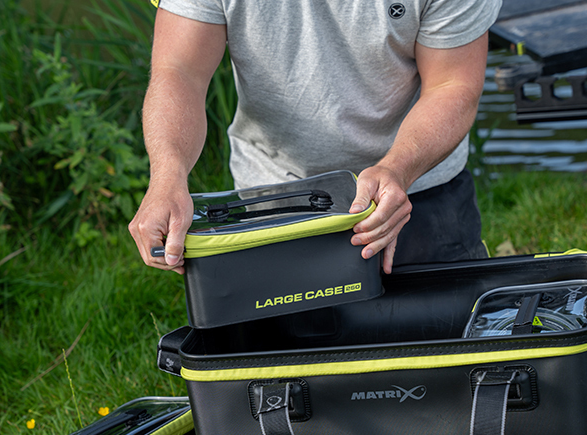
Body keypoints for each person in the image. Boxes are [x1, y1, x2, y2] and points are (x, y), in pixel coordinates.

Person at [129, 0, 502, 275]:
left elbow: (452, 85)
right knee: (280, 357)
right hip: (272, 198)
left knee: (443, 350)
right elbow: (179, 72)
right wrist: (168, 176)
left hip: (417, 196)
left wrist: (398, 168)